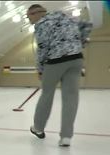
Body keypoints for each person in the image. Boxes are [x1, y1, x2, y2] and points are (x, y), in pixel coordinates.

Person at [26, 4, 92, 147]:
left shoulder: (42, 24)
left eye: (28, 16)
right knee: (71, 98)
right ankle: (66, 137)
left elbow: (42, 49)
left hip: (56, 60)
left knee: (47, 94)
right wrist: (80, 43)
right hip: (76, 58)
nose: (28, 19)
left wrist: (40, 69)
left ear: (36, 13)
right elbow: (87, 25)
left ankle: (38, 128)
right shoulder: (66, 16)